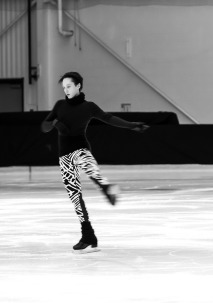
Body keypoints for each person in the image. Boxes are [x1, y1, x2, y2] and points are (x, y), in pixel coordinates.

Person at [41, 72, 148, 254]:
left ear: (78, 86)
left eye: (69, 86)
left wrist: (132, 125)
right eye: (64, 87)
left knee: (89, 167)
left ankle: (107, 187)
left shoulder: (88, 107)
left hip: (80, 148)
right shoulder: (59, 105)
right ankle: (88, 235)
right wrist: (56, 123)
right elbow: (44, 126)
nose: (66, 90)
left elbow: (109, 118)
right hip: (64, 156)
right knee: (75, 196)